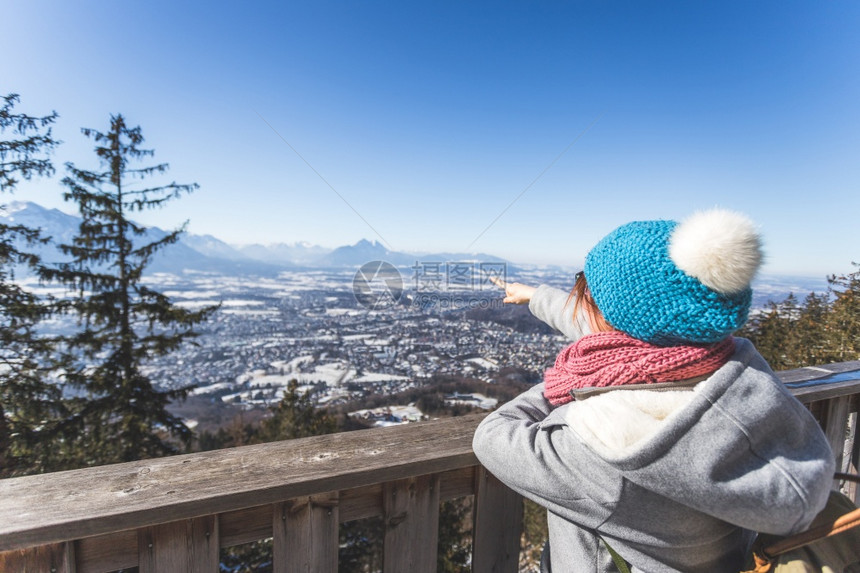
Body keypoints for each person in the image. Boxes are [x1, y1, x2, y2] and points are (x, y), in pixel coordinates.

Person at [473, 209, 835, 573]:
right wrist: (536, 297)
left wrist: (570, 380)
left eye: (589, 293)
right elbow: (623, 336)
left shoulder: (609, 446)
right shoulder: (743, 382)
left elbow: (492, 437)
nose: (584, 303)